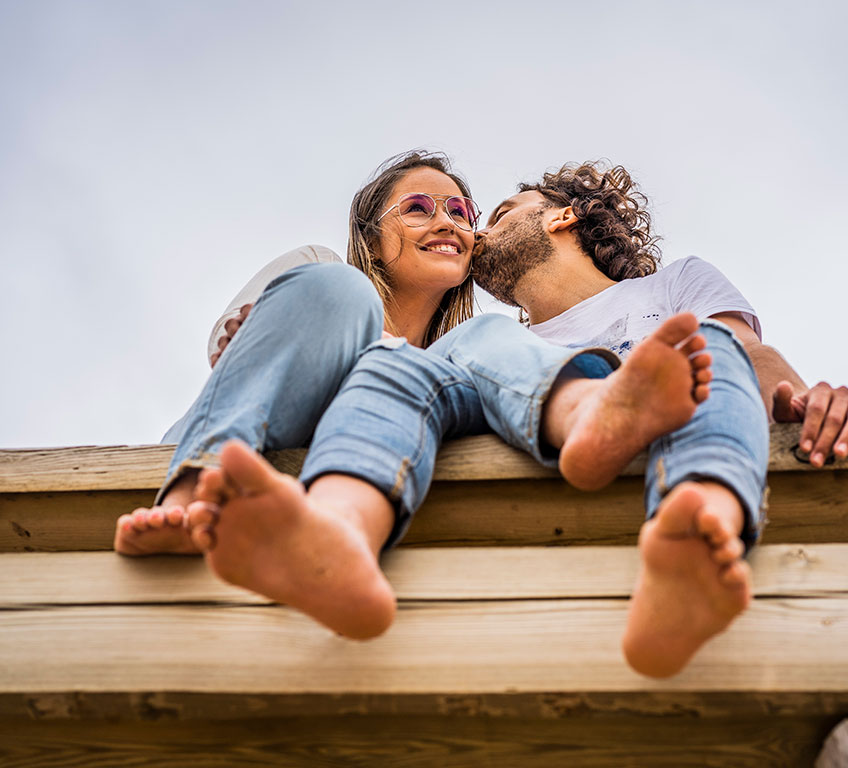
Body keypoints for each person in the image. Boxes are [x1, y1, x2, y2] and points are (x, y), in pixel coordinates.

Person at [114, 150, 711, 643]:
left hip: (365, 479)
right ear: (373, 238)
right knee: (341, 293)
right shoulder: (325, 274)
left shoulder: (469, 348)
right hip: (262, 443)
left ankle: (585, 411)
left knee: (475, 342)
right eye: (419, 209)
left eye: (461, 210)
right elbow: (238, 359)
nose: (448, 222)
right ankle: (193, 485)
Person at [469, 161, 848, 676]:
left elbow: (747, 355)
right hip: (548, 519)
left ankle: (696, 534)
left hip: (685, 459)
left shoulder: (675, 285)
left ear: (562, 217)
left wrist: (806, 404)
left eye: (502, 214)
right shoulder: (502, 347)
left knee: (709, 344)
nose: (479, 231)